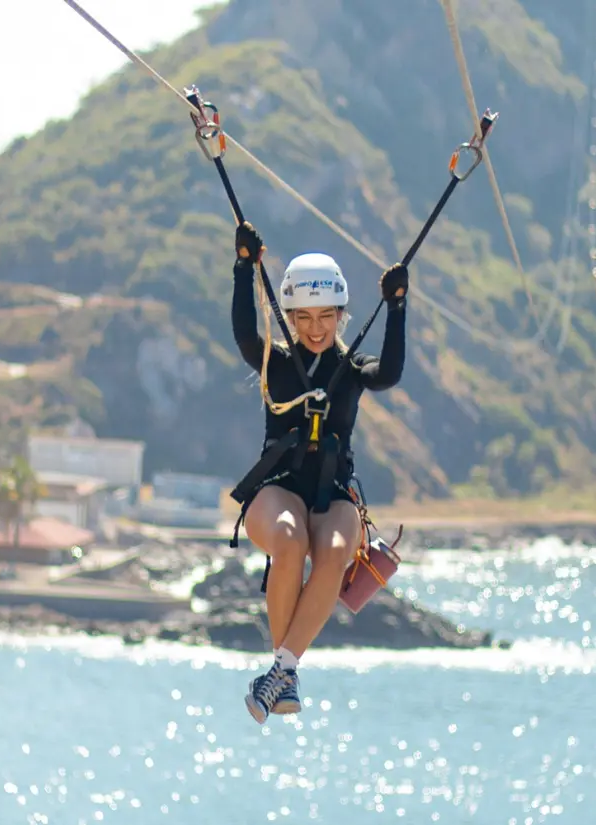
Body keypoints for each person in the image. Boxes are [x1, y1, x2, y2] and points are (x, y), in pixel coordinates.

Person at [230, 220, 408, 724]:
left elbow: (389, 372)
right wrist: (245, 267)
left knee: (330, 553)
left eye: (325, 317)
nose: (314, 328)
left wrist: (397, 306)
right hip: (279, 489)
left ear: (341, 316)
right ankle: (283, 673)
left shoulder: (350, 369)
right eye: (303, 317)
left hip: (333, 494)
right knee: (290, 543)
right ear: (288, 316)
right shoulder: (277, 362)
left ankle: (281, 671)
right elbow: (245, 331)